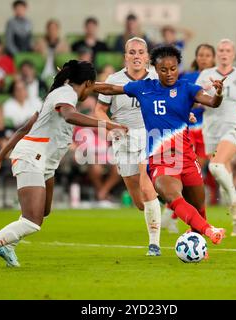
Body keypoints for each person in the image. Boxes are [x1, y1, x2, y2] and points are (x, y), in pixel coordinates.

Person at [0, 60, 127, 270]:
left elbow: (24, 128)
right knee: (32, 221)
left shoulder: (60, 93)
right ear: (86, 83)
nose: (92, 91)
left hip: (46, 162)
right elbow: (69, 116)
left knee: (43, 211)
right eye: (91, 87)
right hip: (32, 156)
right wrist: (107, 124)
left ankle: (7, 246)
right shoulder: (66, 95)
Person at [95, 45, 227, 246]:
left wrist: (219, 93)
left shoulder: (187, 88)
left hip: (187, 159)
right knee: (173, 196)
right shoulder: (144, 87)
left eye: (173, 68)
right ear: (155, 69)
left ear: (178, 67)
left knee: (199, 206)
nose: (169, 73)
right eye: (163, 70)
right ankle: (210, 231)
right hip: (160, 160)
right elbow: (110, 88)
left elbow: (213, 103)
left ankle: (200, 247)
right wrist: (82, 84)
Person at [95, 37, 162, 256]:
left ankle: (154, 244)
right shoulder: (113, 80)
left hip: (150, 136)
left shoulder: (157, 78)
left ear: (147, 57)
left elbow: (171, 103)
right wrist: (110, 126)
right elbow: (98, 110)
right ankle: (164, 204)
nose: (136, 56)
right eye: (132, 52)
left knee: (146, 186)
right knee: (139, 201)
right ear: (125, 57)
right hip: (123, 140)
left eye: (140, 52)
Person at [196, 39, 236, 236]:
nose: (224, 53)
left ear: (234, 54)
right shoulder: (206, 75)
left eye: (228, 50)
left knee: (216, 166)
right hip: (211, 130)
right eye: (221, 50)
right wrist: (193, 109)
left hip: (233, 127)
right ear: (217, 54)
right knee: (224, 179)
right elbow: (195, 99)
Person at [162, 43, 217, 233]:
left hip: (206, 130)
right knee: (189, 174)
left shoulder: (216, 78)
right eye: (200, 55)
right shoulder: (188, 78)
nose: (203, 58)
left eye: (207, 55)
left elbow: (219, 104)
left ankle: (177, 213)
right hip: (187, 130)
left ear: (213, 58)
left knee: (198, 176)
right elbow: (177, 101)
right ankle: (173, 213)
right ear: (196, 57)